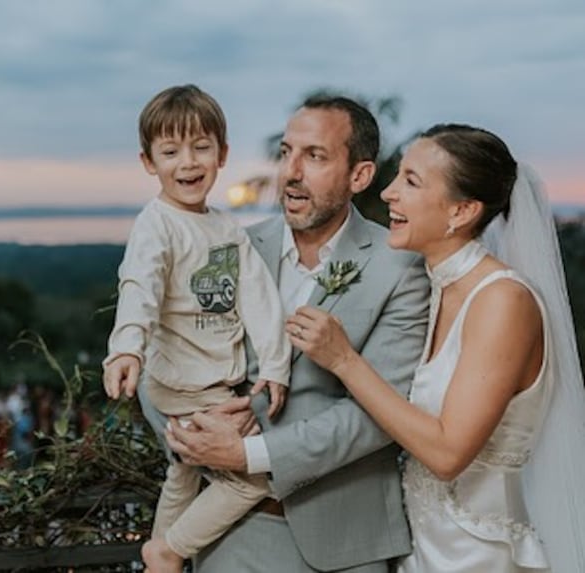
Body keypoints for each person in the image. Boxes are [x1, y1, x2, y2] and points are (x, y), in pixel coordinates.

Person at [286, 124, 585, 572]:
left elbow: (448, 454)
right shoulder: (435, 287)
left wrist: (345, 360)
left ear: (462, 211)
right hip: (419, 549)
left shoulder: (503, 301)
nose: (388, 193)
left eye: (411, 181)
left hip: (479, 559)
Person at [155, 93, 431, 572]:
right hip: (230, 537)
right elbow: (158, 360)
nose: (291, 172)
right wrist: (193, 431)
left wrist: (250, 453)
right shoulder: (227, 248)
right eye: (286, 153)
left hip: (346, 543)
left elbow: (381, 415)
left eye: (315, 156)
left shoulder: (401, 270)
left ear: (359, 176)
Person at [102, 84, 291, 573]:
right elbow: (138, 287)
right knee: (252, 479)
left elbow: (259, 298)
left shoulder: (227, 229)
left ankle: (159, 558)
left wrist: (274, 365)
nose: (187, 162)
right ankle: (168, 552)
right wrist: (126, 350)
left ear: (222, 154)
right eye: (170, 152)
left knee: (183, 472)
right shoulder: (156, 225)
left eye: (201, 147)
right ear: (149, 162)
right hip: (185, 386)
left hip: (213, 382)